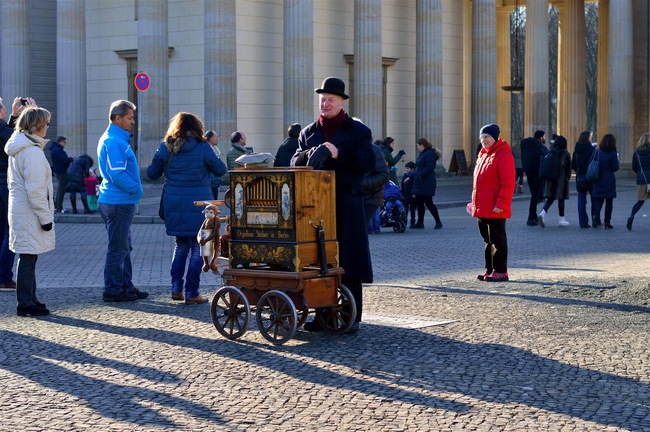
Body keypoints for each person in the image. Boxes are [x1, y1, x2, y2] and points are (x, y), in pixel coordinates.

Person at [291, 76, 375, 333]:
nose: (325, 104)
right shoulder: (307, 132)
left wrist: (338, 153)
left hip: (347, 204)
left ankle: (351, 316)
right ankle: (323, 316)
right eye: (322, 100)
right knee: (318, 260)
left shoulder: (359, 131)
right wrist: (307, 154)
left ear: (341, 102)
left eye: (331, 100)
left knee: (348, 260)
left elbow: (368, 162)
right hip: (315, 206)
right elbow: (294, 161)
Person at [147, 112, 227, 304]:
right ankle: (192, 291)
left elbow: (152, 173)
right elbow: (221, 170)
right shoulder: (203, 147)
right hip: (199, 203)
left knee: (180, 244)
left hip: (174, 201)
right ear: (197, 128)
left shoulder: (166, 147)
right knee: (199, 247)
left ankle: (176, 287)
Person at [5, 106, 55, 316]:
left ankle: (30, 299)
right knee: (28, 257)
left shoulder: (21, 148)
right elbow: (36, 190)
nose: (48, 127)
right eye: (46, 123)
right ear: (37, 125)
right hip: (29, 213)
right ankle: (25, 302)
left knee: (29, 256)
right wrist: (46, 218)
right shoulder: (31, 152)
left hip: (22, 210)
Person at [97, 100, 146, 302]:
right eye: (129, 117)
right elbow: (117, 174)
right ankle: (113, 290)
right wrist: (137, 188)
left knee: (124, 246)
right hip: (119, 201)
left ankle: (126, 286)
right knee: (118, 248)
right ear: (118, 118)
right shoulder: (115, 141)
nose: (133, 121)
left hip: (117, 200)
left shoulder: (115, 138)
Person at [470, 123, 515, 282]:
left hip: (495, 207)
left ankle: (501, 271)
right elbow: (479, 184)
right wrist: (473, 203)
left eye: (487, 136)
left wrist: (501, 204)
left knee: (497, 239)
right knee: (487, 240)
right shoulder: (483, 154)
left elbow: (508, 182)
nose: (484, 140)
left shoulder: (503, 154)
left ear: (495, 137)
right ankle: (490, 270)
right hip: (483, 206)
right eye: (482, 137)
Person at [0, 96, 32, 291]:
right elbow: (20, 138)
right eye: (2, 107)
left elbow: (9, 133)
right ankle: (4, 277)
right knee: (8, 233)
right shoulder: (5, 132)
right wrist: (29, 113)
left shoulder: (5, 130)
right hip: (5, 185)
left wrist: (13, 116)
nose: (5, 110)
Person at [537, 135, 572, 227]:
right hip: (561, 179)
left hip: (550, 179)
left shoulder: (551, 152)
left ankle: (542, 213)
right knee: (561, 199)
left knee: (550, 198)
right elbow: (568, 168)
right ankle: (561, 219)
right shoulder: (565, 154)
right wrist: (568, 177)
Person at [411, 138, 442, 229]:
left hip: (427, 182)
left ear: (422, 146)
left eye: (418, 146)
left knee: (428, 202)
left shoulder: (429, 154)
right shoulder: (423, 154)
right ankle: (420, 222)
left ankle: (438, 221)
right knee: (419, 202)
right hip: (420, 182)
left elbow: (430, 166)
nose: (417, 148)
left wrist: (420, 175)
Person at [520, 130, 548, 225]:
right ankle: (531, 218)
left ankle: (533, 216)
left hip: (529, 173)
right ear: (540, 137)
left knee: (534, 195)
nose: (545, 138)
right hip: (537, 173)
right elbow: (547, 155)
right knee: (535, 196)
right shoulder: (540, 146)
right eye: (544, 136)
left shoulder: (529, 146)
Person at [591, 134, 619, 229]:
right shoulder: (613, 153)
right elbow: (615, 168)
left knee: (599, 199)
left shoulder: (597, 152)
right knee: (609, 202)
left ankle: (595, 216)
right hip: (609, 180)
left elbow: (592, 162)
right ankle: (607, 222)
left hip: (598, 178)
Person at [362, 140, 389, 234]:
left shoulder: (375, 150)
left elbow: (384, 175)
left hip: (370, 197)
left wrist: (361, 183)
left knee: (359, 231)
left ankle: (374, 229)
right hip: (352, 196)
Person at [571, 130, 596, 228]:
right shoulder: (592, 150)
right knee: (594, 199)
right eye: (590, 136)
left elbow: (573, 165)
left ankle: (583, 222)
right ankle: (595, 220)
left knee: (581, 199)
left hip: (580, 177)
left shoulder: (576, 151)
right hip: (591, 177)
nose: (591, 138)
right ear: (587, 138)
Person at [626, 133, 650, 230]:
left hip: (641, 180)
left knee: (640, 202)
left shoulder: (636, 153)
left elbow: (634, 167)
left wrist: (640, 174)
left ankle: (631, 217)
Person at [50, 135, 74, 213]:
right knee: (61, 190)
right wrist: (71, 159)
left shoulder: (55, 149)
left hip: (58, 171)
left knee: (60, 189)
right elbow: (64, 160)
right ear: (60, 142)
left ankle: (58, 206)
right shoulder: (58, 150)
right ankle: (58, 207)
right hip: (61, 172)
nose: (65, 143)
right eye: (64, 142)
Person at [205, 130, 223, 199]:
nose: (217, 139)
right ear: (210, 138)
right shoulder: (208, 149)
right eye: (216, 137)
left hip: (214, 182)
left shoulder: (214, 148)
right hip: (212, 182)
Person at [401, 161, 417, 228]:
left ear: (412, 169)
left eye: (408, 168)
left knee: (413, 209)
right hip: (406, 194)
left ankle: (412, 222)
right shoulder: (404, 176)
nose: (406, 169)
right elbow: (402, 185)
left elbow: (415, 185)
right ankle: (404, 222)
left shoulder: (414, 177)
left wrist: (414, 193)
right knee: (405, 209)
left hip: (412, 195)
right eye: (406, 168)